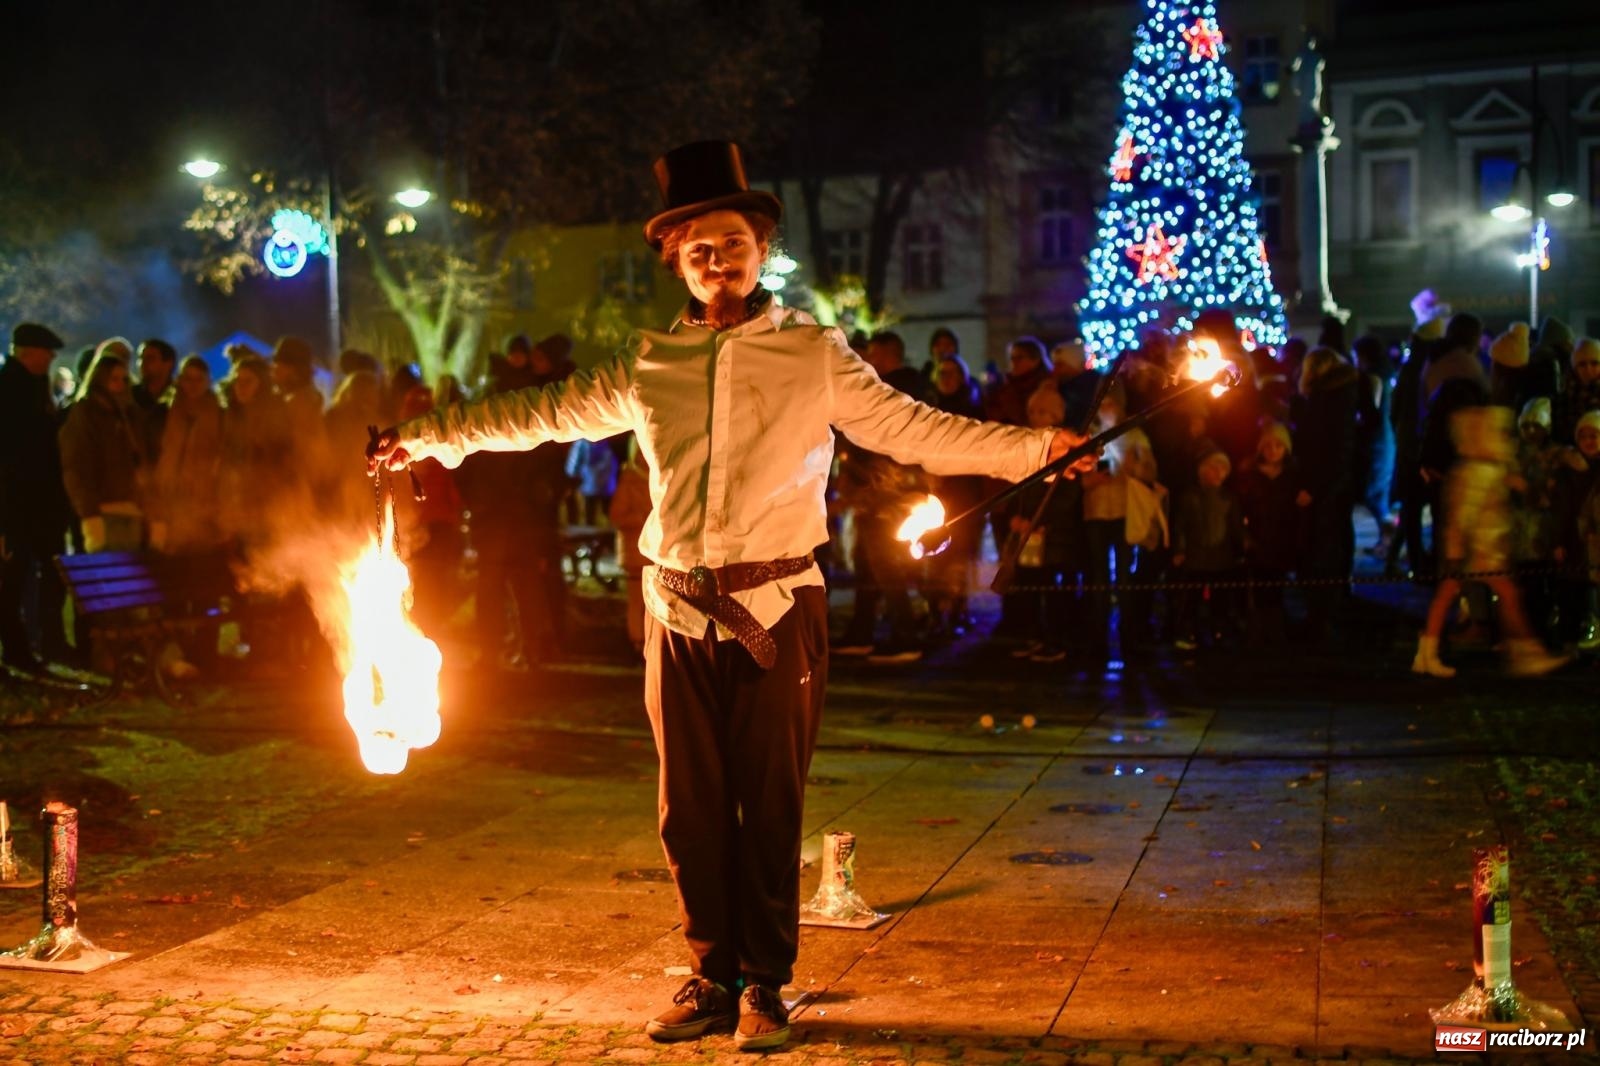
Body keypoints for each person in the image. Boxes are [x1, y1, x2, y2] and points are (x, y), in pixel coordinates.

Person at [367, 141, 1088, 1053]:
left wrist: (1039, 449)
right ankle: (710, 974)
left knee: (770, 803)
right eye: (699, 245)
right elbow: (536, 414)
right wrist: (426, 440)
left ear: (761, 249)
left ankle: (765, 987)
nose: (718, 258)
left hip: (780, 610)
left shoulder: (812, 354)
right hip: (676, 611)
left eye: (734, 241)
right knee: (689, 808)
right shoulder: (647, 365)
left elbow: (917, 431)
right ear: (674, 255)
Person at [1411, 405, 1568, 677]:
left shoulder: (1483, 467)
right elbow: (1465, 514)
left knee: (1488, 596)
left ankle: (1429, 653)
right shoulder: (1479, 471)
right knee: (1493, 595)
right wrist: (1457, 552)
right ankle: (1523, 653)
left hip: (1481, 548)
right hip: (1478, 550)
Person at [834, 330, 930, 663]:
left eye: (872, 352)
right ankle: (862, 632)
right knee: (866, 564)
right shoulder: (881, 388)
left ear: (888, 355)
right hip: (871, 492)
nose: (866, 359)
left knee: (886, 565)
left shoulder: (896, 391)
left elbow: (885, 444)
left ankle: (906, 636)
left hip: (889, 494)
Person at [0, 323, 75, 672]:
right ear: (28, 351)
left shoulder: (32, 388)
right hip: (19, 506)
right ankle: (18, 650)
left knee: (43, 575)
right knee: (12, 582)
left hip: (39, 506)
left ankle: (40, 645)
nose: (51, 358)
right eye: (46, 352)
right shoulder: (10, 390)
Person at [59, 348, 147, 553]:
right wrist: (89, 513)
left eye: (124, 379)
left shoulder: (131, 415)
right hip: (101, 511)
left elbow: (143, 462)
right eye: (114, 379)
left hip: (132, 510)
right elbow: (75, 467)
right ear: (100, 379)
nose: (120, 385)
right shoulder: (85, 414)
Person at [133, 337, 178, 461]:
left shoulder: (179, 398)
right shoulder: (130, 397)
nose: (142, 363)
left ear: (168, 363)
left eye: (150, 358)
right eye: (140, 358)